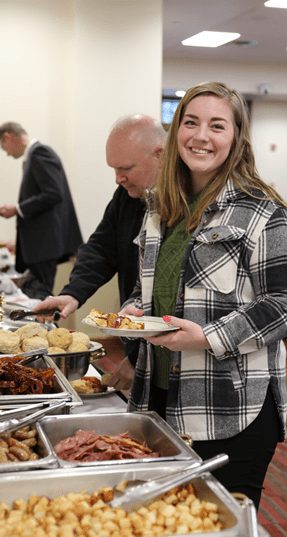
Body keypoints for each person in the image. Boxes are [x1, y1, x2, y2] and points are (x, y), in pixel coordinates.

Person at [118, 82, 287, 510]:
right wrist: (132, 310)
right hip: (158, 395)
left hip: (230, 408)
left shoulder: (266, 212)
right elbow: (150, 285)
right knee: (169, 520)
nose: (201, 136)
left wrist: (205, 337)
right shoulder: (158, 207)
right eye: (191, 122)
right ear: (176, 131)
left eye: (217, 126)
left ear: (236, 139)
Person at [33, 115, 166, 388]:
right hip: (137, 339)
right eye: (113, 169)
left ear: (160, 155)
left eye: (125, 168)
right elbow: (101, 249)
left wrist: (139, 357)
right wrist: (73, 293)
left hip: (170, 355)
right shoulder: (127, 196)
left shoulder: (186, 204)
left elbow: (170, 298)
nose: (118, 178)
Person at [0, 122, 83, 299]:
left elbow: (53, 193)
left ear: (8, 137)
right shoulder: (34, 156)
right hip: (40, 247)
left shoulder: (40, 153)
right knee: (35, 296)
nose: (6, 152)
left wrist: (17, 209)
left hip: (44, 247)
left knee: (39, 298)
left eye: (3, 146)